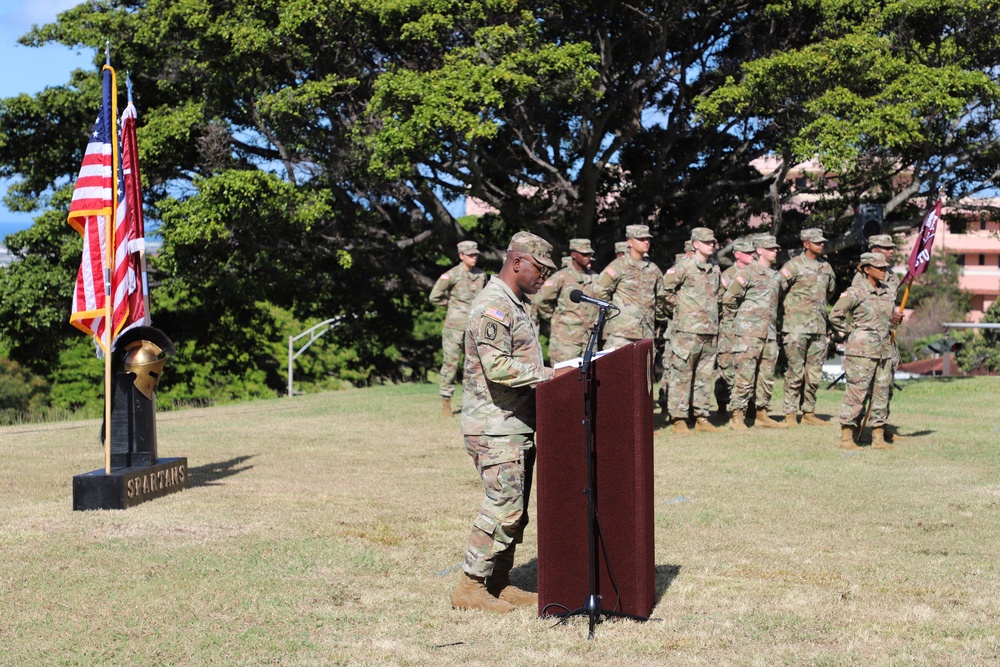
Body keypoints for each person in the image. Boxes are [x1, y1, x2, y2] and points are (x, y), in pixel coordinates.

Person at [451, 231, 557, 613]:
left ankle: (498, 581)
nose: (544, 277)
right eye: (540, 269)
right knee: (504, 506)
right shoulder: (493, 306)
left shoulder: (518, 304)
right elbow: (497, 367)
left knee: (517, 510)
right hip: (495, 426)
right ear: (517, 263)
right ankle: (470, 586)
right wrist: (550, 376)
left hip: (516, 423)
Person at [828, 253, 896, 450]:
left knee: (881, 393)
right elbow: (835, 315)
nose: (884, 271)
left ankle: (878, 438)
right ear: (867, 269)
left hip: (884, 350)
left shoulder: (887, 292)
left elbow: (884, 318)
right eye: (879, 267)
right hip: (861, 352)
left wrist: (894, 320)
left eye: (885, 267)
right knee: (856, 392)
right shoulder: (855, 292)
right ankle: (846, 437)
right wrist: (853, 332)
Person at [722, 235, 787, 429]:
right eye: (771, 248)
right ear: (759, 251)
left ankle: (761, 414)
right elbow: (729, 299)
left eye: (776, 248)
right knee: (745, 376)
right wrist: (743, 321)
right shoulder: (748, 273)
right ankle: (738, 416)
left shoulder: (776, 276)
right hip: (748, 334)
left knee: (766, 377)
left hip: (769, 333)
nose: (775, 251)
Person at [662, 227, 721, 434]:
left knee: (705, 376)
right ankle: (679, 418)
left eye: (713, 242)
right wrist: (679, 310)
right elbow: (664, 292)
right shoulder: (683, 267)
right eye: (706, 242)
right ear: (695, 244)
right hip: (687, 331)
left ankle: (701, 416)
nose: (711, 245)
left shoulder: (715, 268)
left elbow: (718, 296)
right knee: (682, 374)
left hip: (710, 331)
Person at [777, 228, 837, 426]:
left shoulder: (826, 267)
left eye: (822, 242)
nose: (821, 244)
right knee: (795, 372)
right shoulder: (793, 265)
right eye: (817, 242)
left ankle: (809, 412)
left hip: (818, 329)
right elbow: (776, 289)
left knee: (814, 374)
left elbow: (829, 292)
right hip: (796, 328)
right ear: (806, 244)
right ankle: (790, 413)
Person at [851, 233, 906, 439]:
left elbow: (887, 307)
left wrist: (895, 318)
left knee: (885, 386)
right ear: (874, 251)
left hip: (887, 338)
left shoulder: (892, 278)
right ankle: (855, 426)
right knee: (863, 386)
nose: (891, 251)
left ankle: (880, 427)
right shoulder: (862, 277)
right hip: (868, 341)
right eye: (886, 248)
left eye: (892, 248)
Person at [429, 241, 487, 417]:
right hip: (454, 327)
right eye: (470, 255)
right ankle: (446, 401)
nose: (474, 258)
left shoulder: (481, 275)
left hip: (475, 325)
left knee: (473, 365)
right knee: (451, 364)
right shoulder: (451, 275)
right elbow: (434, 296)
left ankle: (470, 403)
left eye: (475, 254)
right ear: (461, 256)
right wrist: (452, 306)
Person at [594, 225, 667, 350]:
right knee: (618, 368)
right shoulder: (619, 266)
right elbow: (599, 291)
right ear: (630, 242)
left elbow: (661, 298)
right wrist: (614, 312)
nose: (646, 242)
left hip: (646, 333)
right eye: (641, 239)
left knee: (644, 369)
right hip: (621, 334)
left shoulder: (653, 269)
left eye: (647, 239)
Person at [535, 238, 599, 364]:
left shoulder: (595, 277)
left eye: (590, 254)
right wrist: (553, 317)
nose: (588, 257)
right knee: (564, 380)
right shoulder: (562, 276)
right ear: (574, 255)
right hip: (566, 341)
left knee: (588, 379)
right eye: (584, 254)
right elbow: (541, 298)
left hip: (589, 340)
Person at [714, 237, 756, 420]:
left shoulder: (757, 273)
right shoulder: (728, 275)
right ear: (737, 255)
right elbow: (718, 299)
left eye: (753, 252)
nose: (752, 255)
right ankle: (723, 404)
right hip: (730, 327)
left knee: (748, 366)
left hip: (751, 328)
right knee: (727, 364)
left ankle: (749, 404)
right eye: (748, 252)